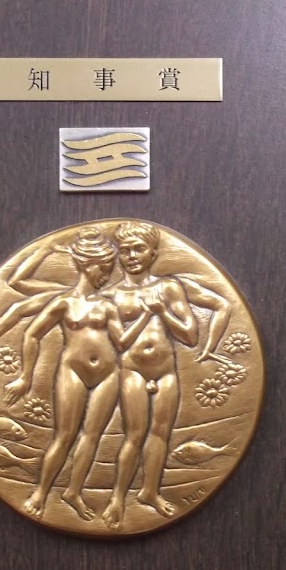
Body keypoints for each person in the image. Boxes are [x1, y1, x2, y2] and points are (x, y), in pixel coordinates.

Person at [3, 227, 151, 522]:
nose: (107, 275)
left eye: (109, 269)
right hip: (72, 370)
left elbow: (121, 343)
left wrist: (147, 316)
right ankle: (40, 493)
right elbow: (32, 334)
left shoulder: (107, 305)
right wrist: (25, 376)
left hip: (108, 374)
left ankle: (73, 492)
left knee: (92, 435)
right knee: (65, 436)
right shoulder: (64, 303)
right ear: (87, 265)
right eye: (104, 269)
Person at [102, 221, 198, 529]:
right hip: (132, 370)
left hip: (165, 370)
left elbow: (190, 336)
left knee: (160, 434)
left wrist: (163, 311)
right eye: (125, 250)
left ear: (153, 253)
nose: (131, 256)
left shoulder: (169, 288)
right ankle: (118, 498)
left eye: (138, 249)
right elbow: (115, 343)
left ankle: (150, 492)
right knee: (134, 434)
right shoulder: (111, 295)